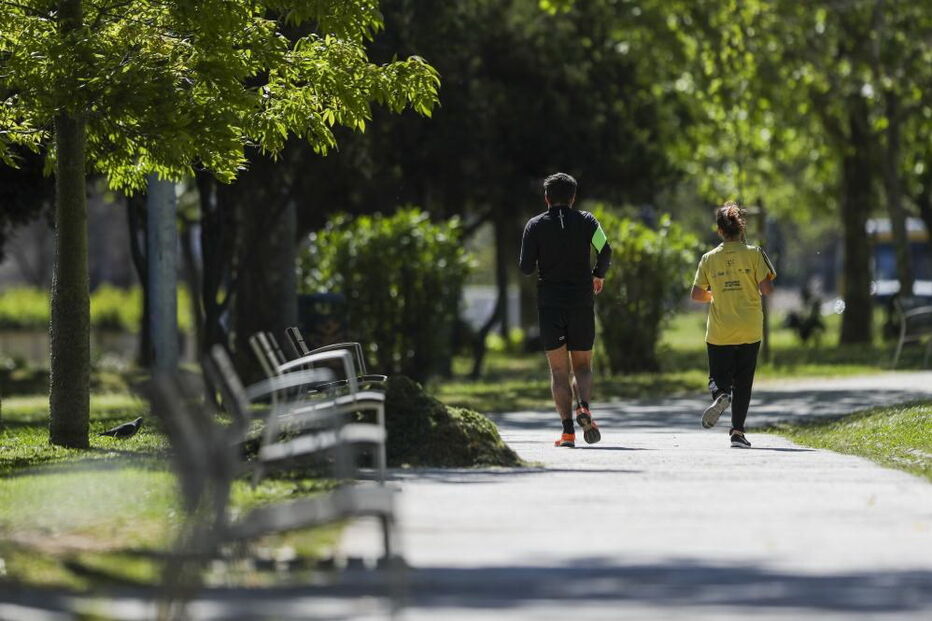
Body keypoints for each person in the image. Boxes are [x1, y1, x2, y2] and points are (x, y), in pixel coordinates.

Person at [519, 172, 612, 447]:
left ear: (546, 198)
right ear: (573, 197)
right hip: (581, 301)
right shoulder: (587, 220)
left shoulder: (534, 225)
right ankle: (583, 406)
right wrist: (598, 273)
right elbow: (605, 248)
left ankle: (568, 432)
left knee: (559, 372)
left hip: (550, 304)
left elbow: (525, 267)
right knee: (582, 367)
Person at [690, 202, 776, 448]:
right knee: (744, 381)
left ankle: (720, 395)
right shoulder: (755, 253)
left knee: (717, 377)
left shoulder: (708, 259)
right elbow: (767, 289)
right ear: (742, 228)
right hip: (750, 328)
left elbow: (696, 294)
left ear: (719, 230)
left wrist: (714, 295)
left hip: (720, 330)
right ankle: (738, 432)